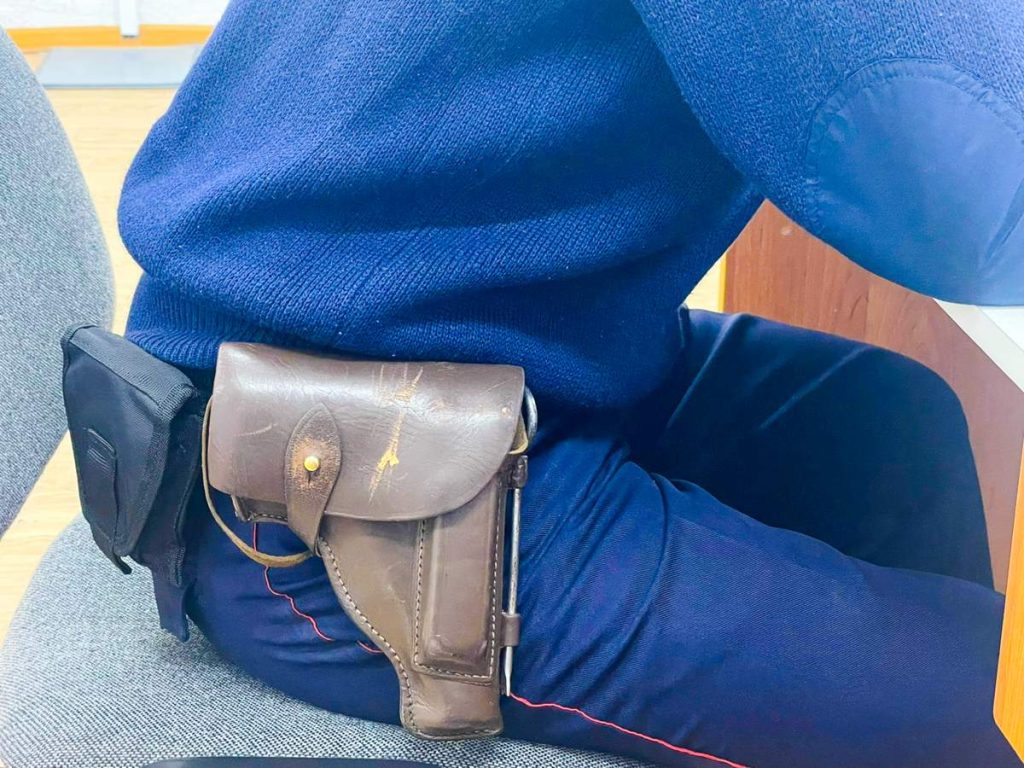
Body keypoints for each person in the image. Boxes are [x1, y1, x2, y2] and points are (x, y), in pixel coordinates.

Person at [117, 1, 1024, 766]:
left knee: (891, 421)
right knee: (991, 704)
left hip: (478, 343)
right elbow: (952, 172)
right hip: (314, 475)